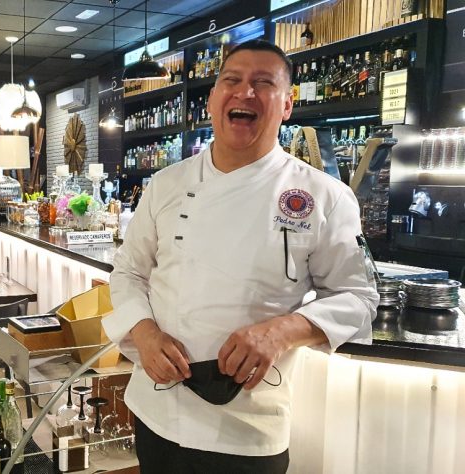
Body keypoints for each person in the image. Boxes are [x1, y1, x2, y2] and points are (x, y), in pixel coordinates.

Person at [102, 39, 379, 473]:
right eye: (232, 80)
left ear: (287, 104)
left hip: (248, 428)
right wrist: (145, 332)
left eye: (263, 83)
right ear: (213, 99)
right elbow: (128, 273)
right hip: (157, 410)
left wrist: (281, 332)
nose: (245, 92)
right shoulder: (166, 185)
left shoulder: (325, 196)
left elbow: (358, 299)